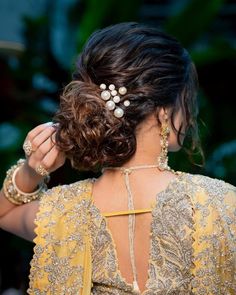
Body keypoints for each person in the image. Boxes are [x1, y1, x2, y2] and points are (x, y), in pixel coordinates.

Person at [0, 22, 235, 295]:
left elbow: (4, 213)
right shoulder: (222, 204)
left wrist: (33, 170)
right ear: (163, 112)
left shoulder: (60, 213)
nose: (190, 115)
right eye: (186, 100)